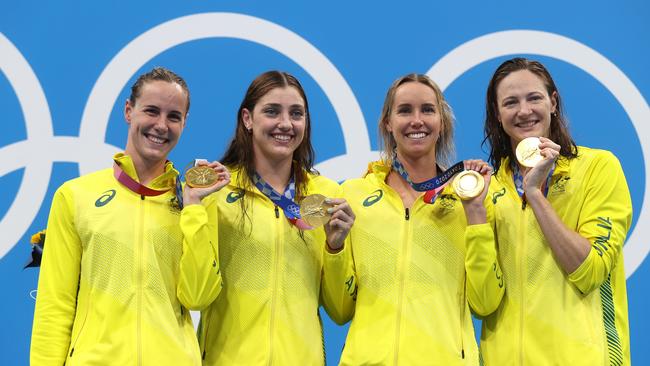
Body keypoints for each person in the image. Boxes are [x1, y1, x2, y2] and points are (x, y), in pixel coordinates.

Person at [31, 67, 230, 365]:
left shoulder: (196, 203)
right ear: (128, 110)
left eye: (173, 116)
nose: (161, 125)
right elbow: (54, 305)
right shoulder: (75, 196)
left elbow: (198, 296)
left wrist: (193, 209)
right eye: (151, 111)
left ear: (184, 123)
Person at [335, 74, 504, 364]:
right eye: (404, 110)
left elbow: (486, 302)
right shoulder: (353, 195)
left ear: (442, 122)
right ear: (388, 123)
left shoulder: (471, 195)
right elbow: (339, 309)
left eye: (427, 109)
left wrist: (475, 212)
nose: (417, 120)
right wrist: (334, 249)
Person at [194, 70, 355, 365]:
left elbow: (341, 310)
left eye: (296, 114)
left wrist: (335, 248)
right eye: (272, 112)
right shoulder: (216, 191)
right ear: (247, 119)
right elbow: (195, 294)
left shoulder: (325, 196)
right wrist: (194, 210)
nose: (285, 124)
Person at [480, 57, 632, 365]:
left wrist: (534, 193)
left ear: (553, 102)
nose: (524, 111)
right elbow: (482, 301)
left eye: (534, 97)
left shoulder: (599, 168)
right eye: (511, 102)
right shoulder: (489, 189)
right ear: (498, 115)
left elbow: (589, 271)